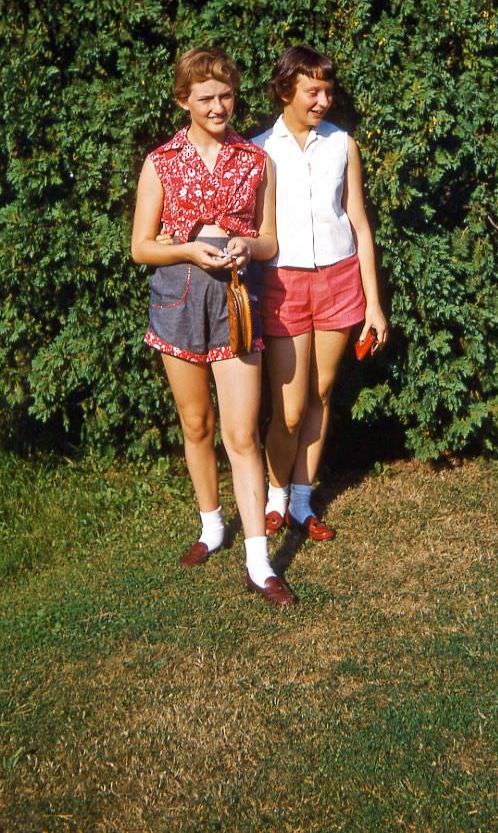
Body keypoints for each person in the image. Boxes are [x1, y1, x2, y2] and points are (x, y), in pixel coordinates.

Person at [131, 46, 295, 607]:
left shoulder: (255, 160)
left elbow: (272, 240)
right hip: (177, 300)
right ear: (184, 101)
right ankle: (211, 526)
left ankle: (258, 561)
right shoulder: (160, 162)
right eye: (206, 98)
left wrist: (247, 244)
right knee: (196, 424)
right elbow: (140, 247)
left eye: (226, 95)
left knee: (242, 433)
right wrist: (190, 253)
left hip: (236, 301)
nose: (220, 105)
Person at [253, 45, 388, 540]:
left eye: (328, 90)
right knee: (288, 409)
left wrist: (373, 303)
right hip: (283, 285)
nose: (323, 100)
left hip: (338, 281)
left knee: (322, 394)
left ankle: (303, 504)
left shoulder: (342, 144)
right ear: (286, 90)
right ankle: (275, 496)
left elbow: (359, 223)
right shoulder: (259, 149)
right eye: (313, 90)